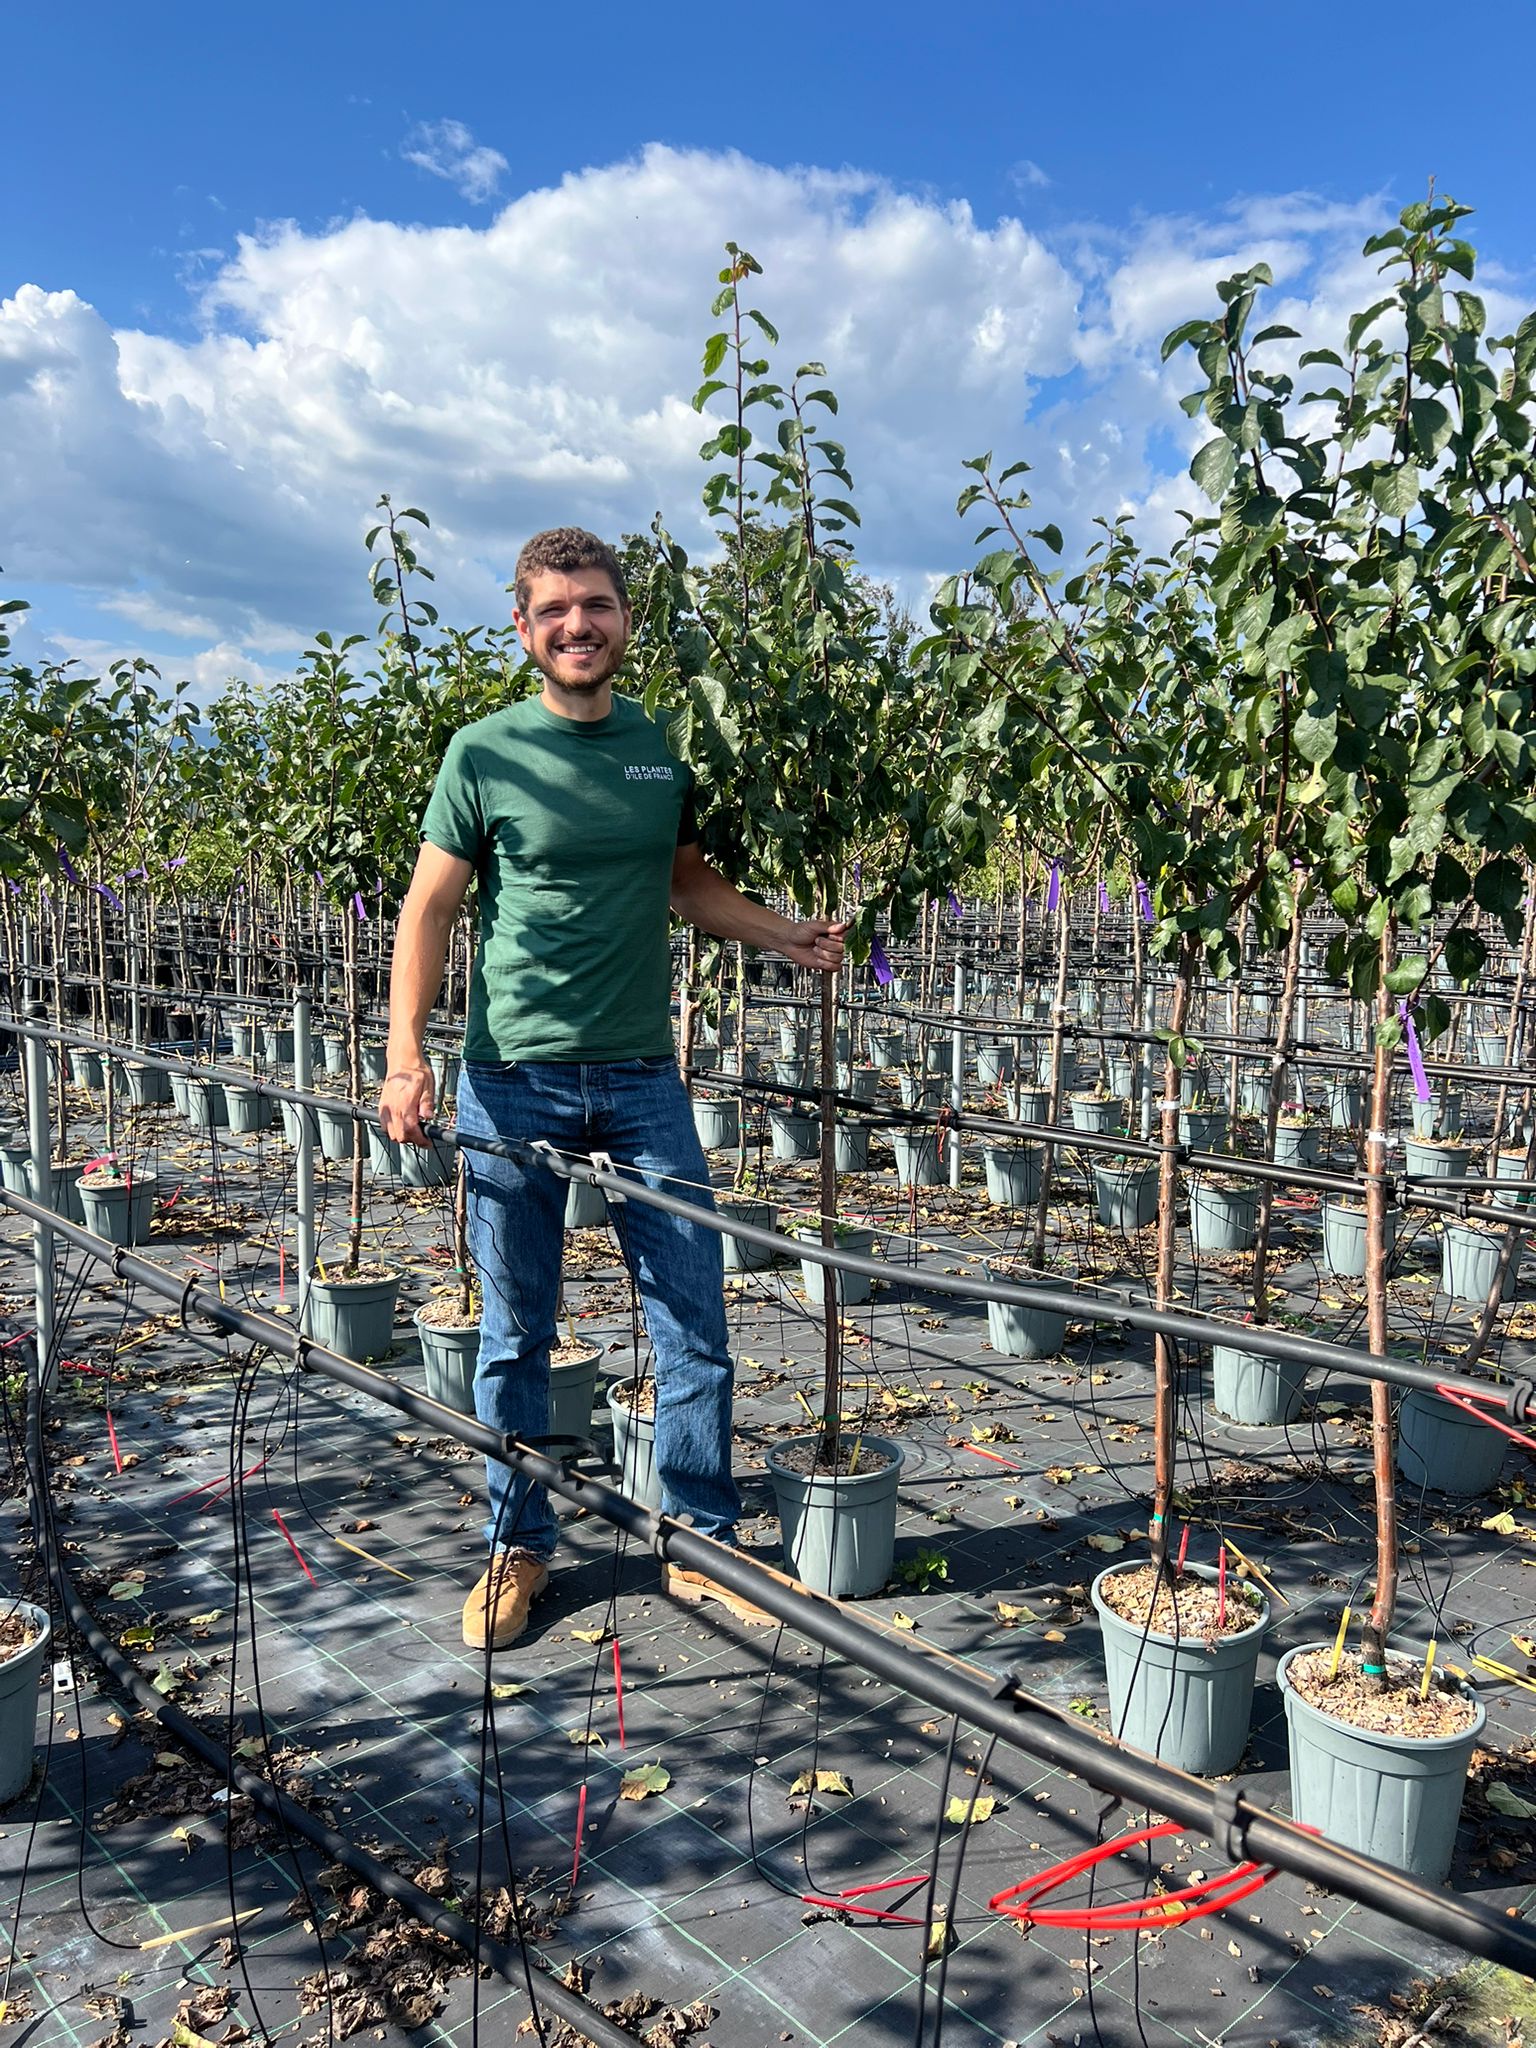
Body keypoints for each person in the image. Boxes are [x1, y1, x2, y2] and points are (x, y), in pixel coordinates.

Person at [379, 527, 846, 1650]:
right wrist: (405, 1052)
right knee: (515, 1331)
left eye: (595, 605)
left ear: (626, 618)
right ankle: (516, 1543)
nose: (577, 625)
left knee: (693, 1313)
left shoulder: (656, 751)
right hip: (511, 1081)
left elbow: (685, 882)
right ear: (524, 626)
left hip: (642, 1076)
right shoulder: (481, 753)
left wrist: (789, 934)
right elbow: (428, 911)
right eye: (554, 610)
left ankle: (699, 1537)